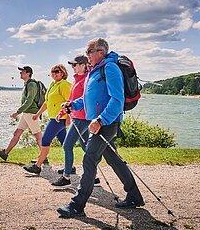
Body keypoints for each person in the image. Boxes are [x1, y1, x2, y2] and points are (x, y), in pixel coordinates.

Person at [57, 38, 144, 219]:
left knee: (89, 159)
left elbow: (117, 100)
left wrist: (101, 120)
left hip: (106, 123)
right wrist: (73, 105)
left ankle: (77, 205)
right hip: (99, 122)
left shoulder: (109, 68)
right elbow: (89, 99)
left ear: (100, 52)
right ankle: (134, 196)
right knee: (113, 159)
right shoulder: (94, 71)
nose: (87, 55)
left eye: (89, 51)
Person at [51, 55, 100, 188]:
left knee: (67, 145)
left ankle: (66, 177)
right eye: (72, 65)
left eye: (75, 64)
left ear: (84, 65)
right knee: (85, 147)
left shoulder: (87, 80)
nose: (73, 67)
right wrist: (61, 112)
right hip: (77, 116)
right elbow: (71, 100)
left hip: (82, 118)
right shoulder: (77, 79)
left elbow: (87, 99)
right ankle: (94, 177)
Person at [23, 64, 71, 174]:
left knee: (45, 140)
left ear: (63, 73)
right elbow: (47, 102)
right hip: (54, 117)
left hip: (59, 119)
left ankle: (37, 166)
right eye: (53, 72)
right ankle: (70, 166)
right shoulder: (53, 85)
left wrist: (68, 118)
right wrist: (38, 114)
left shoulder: (64, 85)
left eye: (57, 71)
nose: (54, 73)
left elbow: (70, 102)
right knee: (65, 143)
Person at [0, 66, 41, 161]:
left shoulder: (31, 84)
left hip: (31, 114)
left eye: (22, 72)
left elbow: (29, 100)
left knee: (38, 136)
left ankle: (43, 157)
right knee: (17, 133)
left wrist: (17, 112)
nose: (20, 73)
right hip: (26, 113)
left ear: (28, 73)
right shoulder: (26, 84)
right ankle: (5, 153)